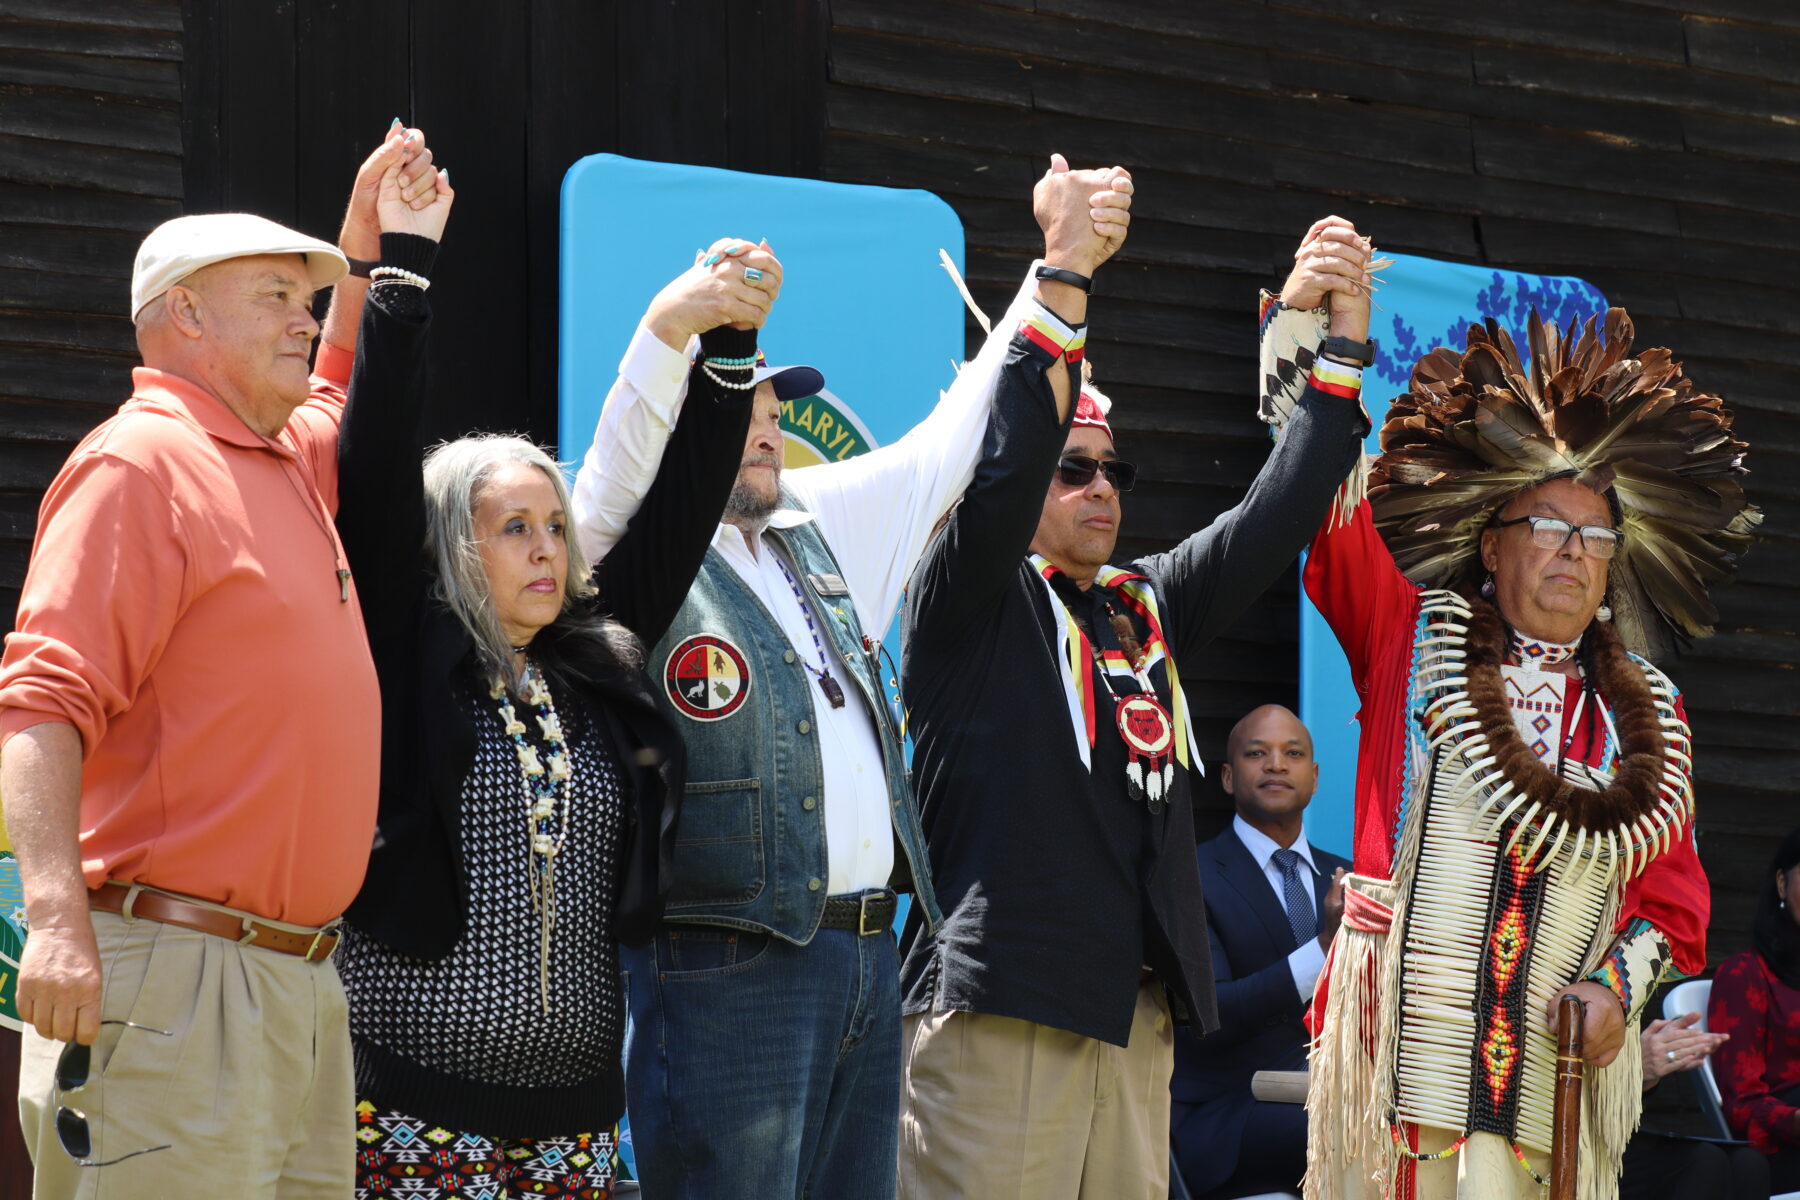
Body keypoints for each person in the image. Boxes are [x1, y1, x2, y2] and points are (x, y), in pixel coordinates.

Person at [568, 157, 1133, 1199]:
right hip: (727, 971)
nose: (769, 422)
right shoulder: (629, 555)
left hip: (869, 960)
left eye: (777, 406)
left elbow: (951, 440)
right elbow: (614, 466)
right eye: (742, 404)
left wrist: (1060, 271)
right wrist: (669, 330)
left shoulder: (817, 528)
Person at [328, 143, 782, 1196]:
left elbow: (675, 517)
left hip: (576, 1127)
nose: (546, 548)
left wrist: (734, 343)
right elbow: (377, 466)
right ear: (450, 546)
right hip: (406, 1112)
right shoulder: (402, 651)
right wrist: (405, 267)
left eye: (553, 527)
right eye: (513, 527)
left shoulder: (591, 661)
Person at [0, 123, 440, 1198]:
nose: (304, 319)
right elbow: (40, 703)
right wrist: (52, 919)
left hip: (294, 982)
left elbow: (340, 385)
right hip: (174, 974)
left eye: (309, 300)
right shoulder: (139, 462)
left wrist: (363, 245)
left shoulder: (283, 452)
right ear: (184, 314)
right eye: (276, 299)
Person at [894, 213, 1372, 1200]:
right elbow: (1004, 463)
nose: (1100, 487)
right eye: (1073, 469)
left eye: (1116, 470)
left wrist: (1342, 342)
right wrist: (1065, 276)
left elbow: (1269, 519)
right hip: (1003, 1002)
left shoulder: (1141, 604)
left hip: (1133, 1012)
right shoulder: (964, 593)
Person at [1299, 304, 1751, 1199]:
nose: (1573, 554)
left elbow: (1674, 901)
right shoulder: (1409, 638)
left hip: (1551, 1086)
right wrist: (1328, 336)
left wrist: (1618, 990)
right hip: (1398, 1063)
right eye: (1548, 527)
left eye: (1595, 537)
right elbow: (1332, 515)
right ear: (1492, 543)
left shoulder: (1648, 717)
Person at [1171, 705, 1351, 1200]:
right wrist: (1323, 948)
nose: (1276, 764)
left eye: (1293, 754)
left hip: (1335, 1099)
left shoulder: (1353, 878)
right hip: (1228, 1118)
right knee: (1356, 1137)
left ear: (1314, 778)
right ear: (1228, 777)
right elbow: (1212, 1016)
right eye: (1258, 754)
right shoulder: (1189, 875)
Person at [1710, 825, 1800, 1192]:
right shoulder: (1745, 974)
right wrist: (1793, 1120)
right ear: (1782, 883)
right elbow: (1741, 1104)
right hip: (1784, 1149)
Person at [1617, 1011, 1769, 1200]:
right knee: (1703, 1161)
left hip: (1615, 1131)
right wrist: (1630, 1068)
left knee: (1748, 1163)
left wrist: (1642, 1074)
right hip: (1580, 1150)